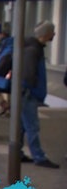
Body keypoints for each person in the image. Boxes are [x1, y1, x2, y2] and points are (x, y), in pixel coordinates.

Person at [19, 20, 60, 169]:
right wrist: (34, 90)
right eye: (52, 32)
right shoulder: (33, 49)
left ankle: (18, 152)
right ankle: (39, 156)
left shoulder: (32, 47)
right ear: (46, 34)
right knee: (32, 126)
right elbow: (29, 73)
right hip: (29, 93)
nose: (54, 34)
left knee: (23, 125)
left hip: (26, 92)